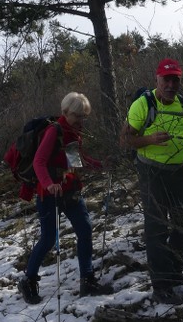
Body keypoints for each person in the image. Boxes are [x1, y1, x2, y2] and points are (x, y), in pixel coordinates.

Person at [120, 58, 183, 305]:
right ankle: (161, 286)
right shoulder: (143, 104)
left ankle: (173, 273)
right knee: (157, 229)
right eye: (166, 79)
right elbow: (125, 140)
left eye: (175, 80)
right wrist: (148, 140)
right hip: (151, 172)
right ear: (156, 79)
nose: (171, 84)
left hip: (178, 171)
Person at [19, 92, 113, 305]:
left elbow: (77, 161)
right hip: (49, 194)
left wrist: (100, 165)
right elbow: (39, 161)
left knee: (85, 230)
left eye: (83, 116)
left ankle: (87, 279)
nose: (81, 121)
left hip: (70, 190)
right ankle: (28, 280)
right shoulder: (54, 131)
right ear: (65, 113)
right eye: (77, 116)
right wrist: (48, 184)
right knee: (48, 239)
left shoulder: (73, 134)